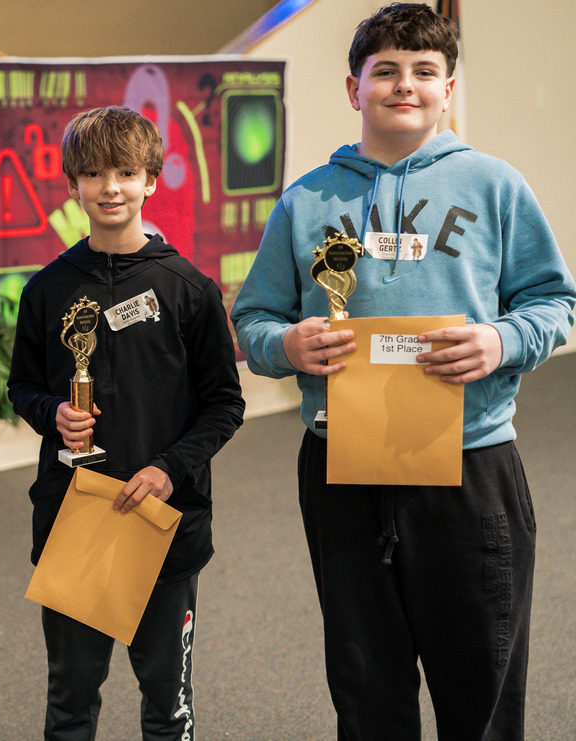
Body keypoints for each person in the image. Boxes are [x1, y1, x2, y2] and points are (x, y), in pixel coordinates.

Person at [230, 4, 576, 739]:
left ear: (448, 88)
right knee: (366, 683)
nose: (404, 85)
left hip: (470, 461)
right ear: (353, 89)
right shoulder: (306, 200)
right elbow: (253, 319)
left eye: (424, 71)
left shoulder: (495, 185)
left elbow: (554, 301)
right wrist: (287, 345)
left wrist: (501, 340)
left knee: (481, 680)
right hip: (342, 465)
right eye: (384, 70)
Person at [8, 106, 245, 740]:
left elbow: (225, 404)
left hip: (163, 521)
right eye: (92, 173)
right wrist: (51, 413)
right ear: (72, 185)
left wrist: (169, 469)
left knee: (168, 704)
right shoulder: (46, 290)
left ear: (151, 181)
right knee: (70, 701)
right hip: (73, 516)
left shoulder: (188, 288)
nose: (110, 188)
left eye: (125, 172)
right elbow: (21, 386)